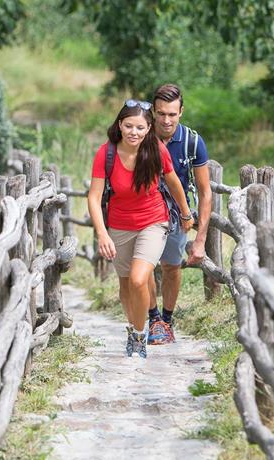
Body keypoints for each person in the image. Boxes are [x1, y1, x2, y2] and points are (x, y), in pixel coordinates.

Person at [87, 99, 195, 358]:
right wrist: (102, 233)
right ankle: (134, 330)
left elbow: (173, 183)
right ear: (120, 125)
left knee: (138, 278)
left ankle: (139, 335)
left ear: (149, 128)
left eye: (140, 127)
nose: (133, 132)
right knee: (126, 286)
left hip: (153, 221)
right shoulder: (107, 153)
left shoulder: (156, 149)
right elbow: (93, 196)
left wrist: (185, 212)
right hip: (119, 225)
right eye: (128, 126)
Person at [146, 83, 213, 345]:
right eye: (161, 113)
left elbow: (206, 193)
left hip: (177, 217)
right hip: (144, 214)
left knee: (171, 268)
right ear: (153, 111)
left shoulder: (193, 142)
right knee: (145, 268)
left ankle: (167, 320)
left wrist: (200, 240)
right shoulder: (141, 135)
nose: (166, 120)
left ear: (181, 112)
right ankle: (153, 321)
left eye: (172, 114)